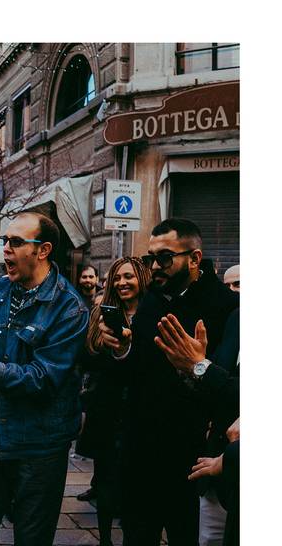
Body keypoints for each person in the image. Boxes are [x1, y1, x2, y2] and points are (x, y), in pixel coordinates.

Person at [0, 211, 88, 546]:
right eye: (4, 241)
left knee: (32, 537)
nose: (6, 250)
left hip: (39, 447)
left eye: (15, 242)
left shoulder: (69, 308)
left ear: (42, 250)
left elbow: (43, 379)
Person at [106, 218, 239, 546]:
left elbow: (229, 390)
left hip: (191, 458)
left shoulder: (225, 306)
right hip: (142, 453)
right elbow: (135, 374)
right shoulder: (153, 297)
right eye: (150, 258)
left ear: (194, 259)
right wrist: (124, 350)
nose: (155, 267)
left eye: (165, 258)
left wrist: (196, 365)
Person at [76, 257, 151, 546]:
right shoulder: (101, 315)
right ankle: (105, 538)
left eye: (129, 277)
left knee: (135, 483)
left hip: (140, 412)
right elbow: (85, 360)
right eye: (117, 278)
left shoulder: (151, 313)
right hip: (107, 410)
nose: (122, 283)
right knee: (105, 479)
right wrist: (105, 347)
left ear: (141, 278)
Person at [154, 308, 240, 546]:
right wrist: (189, 370)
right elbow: (219, 388)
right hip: (214, 470)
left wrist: (201, 367)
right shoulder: (237, 317)